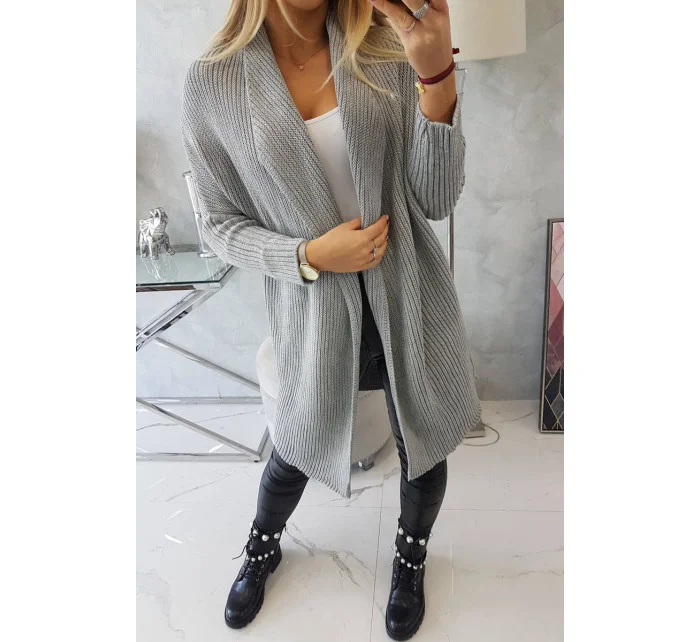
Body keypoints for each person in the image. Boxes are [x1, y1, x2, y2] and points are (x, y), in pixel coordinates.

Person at [180, 0, 482, 638]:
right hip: (313, 309)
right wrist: (308, 255)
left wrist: (436, 78)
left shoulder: (383, 45)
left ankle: (409, 558)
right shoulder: (214, 81)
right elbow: (218, 224)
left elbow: (435, 199)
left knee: (422, 445)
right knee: (294, 445)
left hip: (408, 296)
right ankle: (262, 546)